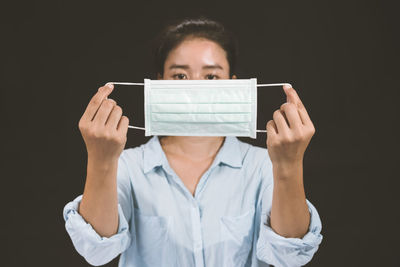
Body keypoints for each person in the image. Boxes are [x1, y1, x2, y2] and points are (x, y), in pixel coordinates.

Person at [63, 17, 323, 267]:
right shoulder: (128, 166)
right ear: (159, 82)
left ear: (233, 85)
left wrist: (289, 165)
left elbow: (291, 257)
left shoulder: (262, 165)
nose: (196, 87)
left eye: (211, 77)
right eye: (180, 76)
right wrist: (101, 159)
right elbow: (97, 251)